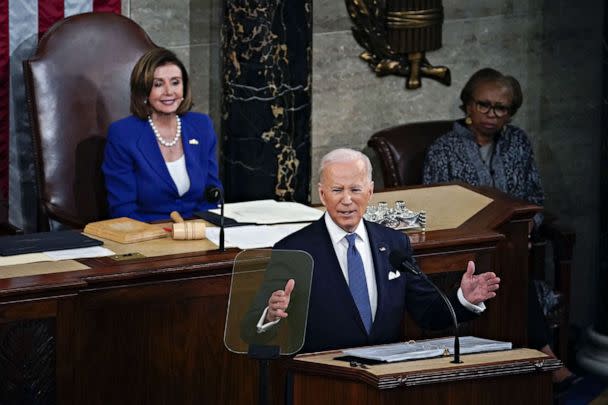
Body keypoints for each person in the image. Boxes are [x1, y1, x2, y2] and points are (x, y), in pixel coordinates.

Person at [255, 148, 501, 353]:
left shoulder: (394, 244)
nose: (347, 200)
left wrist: (463, 299)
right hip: (323, 382)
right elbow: (252, 329)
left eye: (355, 189)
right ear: (322, 193)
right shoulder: (294, 250)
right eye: (337, 190)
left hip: (384, 381)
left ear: (370, 191)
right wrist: (270, 314)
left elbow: (428, 312)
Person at [422, 67, 578, 389]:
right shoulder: (444, 147)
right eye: (484, 105)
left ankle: (535, 369)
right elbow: (433, 204)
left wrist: (529, 228)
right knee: (504, 273)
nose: (492, 114)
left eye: (501, 108)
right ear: (468, 105)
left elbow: (533, 195)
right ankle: (549, 361)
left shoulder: (518, 142)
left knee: (508, 270)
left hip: (516, 245)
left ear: (510, 113)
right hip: (466, 248)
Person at [102, 48, 222, 222]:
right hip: (147, 235)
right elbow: (123, 209)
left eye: (175, 82)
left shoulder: (202, 125)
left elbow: (211, 194)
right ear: (143, 90)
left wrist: (198, 231)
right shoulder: (123, 134)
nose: (169, 91)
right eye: (158, 84)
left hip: (198, 231)